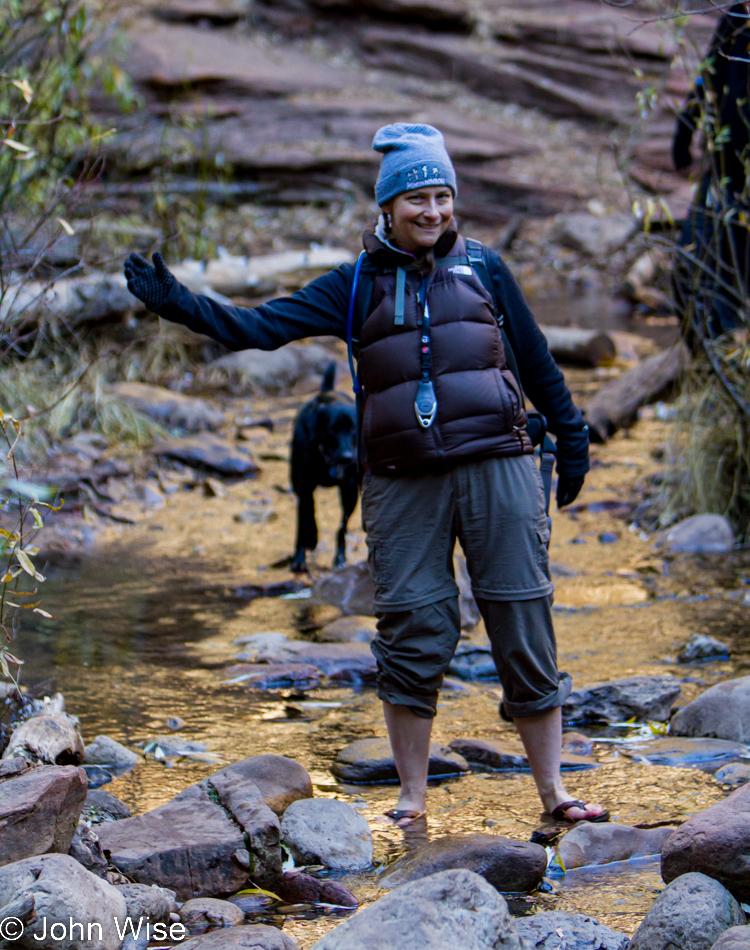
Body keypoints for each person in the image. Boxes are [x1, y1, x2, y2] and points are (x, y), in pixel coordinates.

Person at [125, 123, 607, 827]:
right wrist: (175, 301)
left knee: (522, 618)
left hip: (500, 465)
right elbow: (256, 328)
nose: (433, 211)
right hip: (400, 480)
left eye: (443, 195)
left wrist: (571, 439)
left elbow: (536, 364)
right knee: (413, 627)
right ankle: (412, 797)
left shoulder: (485, 268)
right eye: (417, 198)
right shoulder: (352, 285)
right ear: (387, 207)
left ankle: (554, 793)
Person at [672, 2, 750, 339]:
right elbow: (708, 73)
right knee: (689, 271)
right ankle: (715, 363)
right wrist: (685, 127)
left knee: (734, 279)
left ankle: (733, 366)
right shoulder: (735, 17)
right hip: (722, 172)